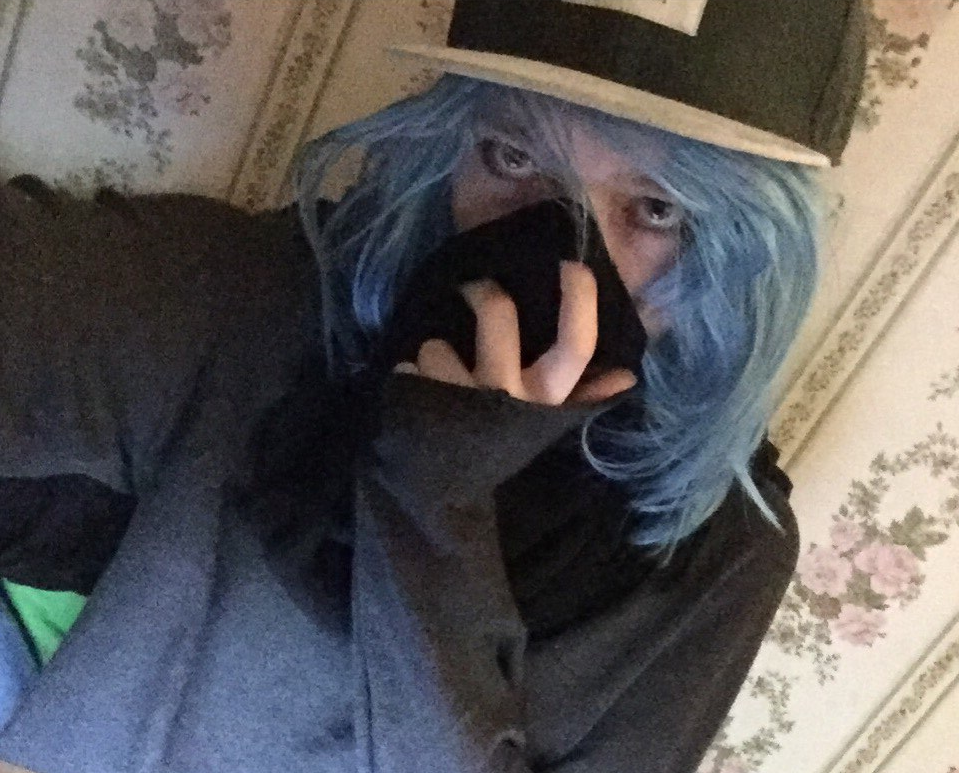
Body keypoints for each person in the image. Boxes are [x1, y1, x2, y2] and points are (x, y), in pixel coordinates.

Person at [0, 0, 866, 771]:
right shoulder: (285, 304)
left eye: (656, 209)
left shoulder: (721, 552)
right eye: (512, 154)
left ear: (741, 245)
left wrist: (432, 499)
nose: (560, 259)